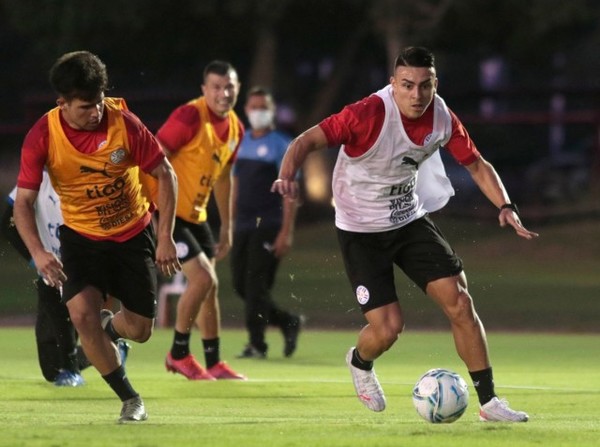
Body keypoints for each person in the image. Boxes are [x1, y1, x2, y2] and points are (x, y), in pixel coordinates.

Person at [271, 46, 538, 422]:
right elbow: (304, 142)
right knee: (389, 329)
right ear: (393, 84)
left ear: (435, 84)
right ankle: (360, 362)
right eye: (407, 85)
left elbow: (476, 164)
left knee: (460, 302)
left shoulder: (441, 116)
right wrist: (286, 175)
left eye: (425, 86)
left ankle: (490, 402)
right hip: (361, 229)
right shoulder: (367, 114)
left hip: (408, 220)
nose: (417, 95)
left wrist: (505, 206)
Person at [13, 50, 181, 423]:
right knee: (81, 314)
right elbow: (22, 204)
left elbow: (165, 174)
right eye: (86, 106)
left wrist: (165, 236)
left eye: (100, 103)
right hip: (81, 239)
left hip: (132, 236)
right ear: (62, 104)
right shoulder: (43, 134)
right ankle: (130, 399)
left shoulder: (126, 126)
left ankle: (110, 328)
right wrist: (39, 253)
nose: (96, 113)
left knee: (139, 331)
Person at [155, 60, 246, 380]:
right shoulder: (190, 116)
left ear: (238, 87)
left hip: (196, 215)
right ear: (204, 90)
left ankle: (214, 362)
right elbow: (155, 157)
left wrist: (227, 227)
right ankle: (178, 353)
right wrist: (159, 222)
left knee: (210, 288)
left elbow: (224, 180)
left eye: (230, 86)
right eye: (217, 87)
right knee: (203, 280)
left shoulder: (236, 127)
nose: (224, 93)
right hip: (168, 211)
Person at [2, 172, 130, 387]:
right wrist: (36, 258)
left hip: (81, 264)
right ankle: (110, 342)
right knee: (51, 368)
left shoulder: (88, 178)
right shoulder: (38, 180)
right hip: (49, 264)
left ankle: (71, 369)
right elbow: (8, 222)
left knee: (67, 308)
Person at [231, 86, 302, 359]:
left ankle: (256, 343)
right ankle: (286, 321)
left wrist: (287, 231)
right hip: (244, 224)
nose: (258, 112)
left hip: (269, 223)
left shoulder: (281, 145)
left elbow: (290, 191)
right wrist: (229, 222)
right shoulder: (241, 142)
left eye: (264, 107)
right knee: (240, 283)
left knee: (255, 284)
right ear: (246, 110)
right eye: (254, 107)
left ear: (272, 111)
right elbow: (236, 185)